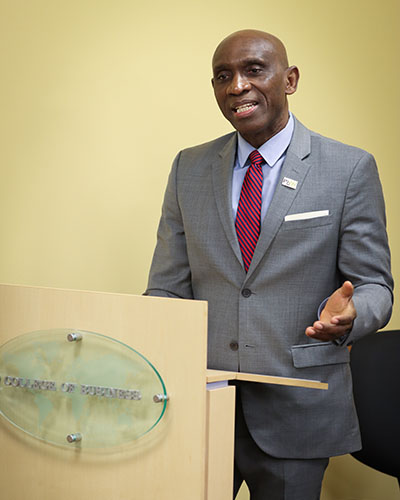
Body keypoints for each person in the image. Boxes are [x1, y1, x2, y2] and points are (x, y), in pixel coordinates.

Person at [144, 29, 393, 500]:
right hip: (199, 405)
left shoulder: (348, 169)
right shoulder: (187, 168)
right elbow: (166, 289)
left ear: (290, 79)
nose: (236, 85)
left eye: (253, 70)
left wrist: (350, 315)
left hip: (296, 407)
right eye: (222, 76)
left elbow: (375, 285)